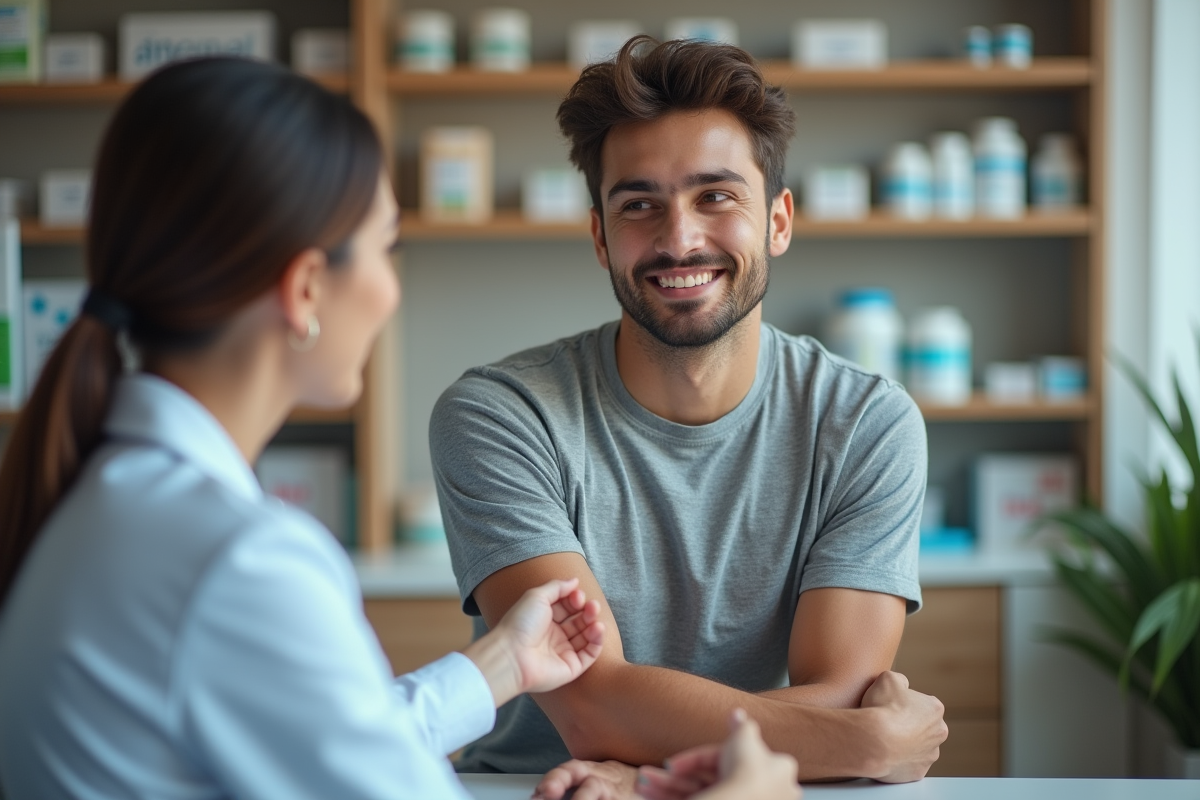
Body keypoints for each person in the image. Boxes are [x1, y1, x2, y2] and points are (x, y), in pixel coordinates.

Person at [0, 57, 612, 800]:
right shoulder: (241, 562)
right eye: (387, 248)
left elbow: (321, 735)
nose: (392, 289)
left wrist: (504, 664)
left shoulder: (108, 498)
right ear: (306, 289)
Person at [429, 36, 949, 794]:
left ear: (778, 222)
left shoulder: (866, 424)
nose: (679, 239)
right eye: (639, 205)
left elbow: (841, 692)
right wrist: (868, 745)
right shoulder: (503, 416)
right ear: (601, 237)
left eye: (716, 196)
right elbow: (592, 704)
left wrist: (637, 767)